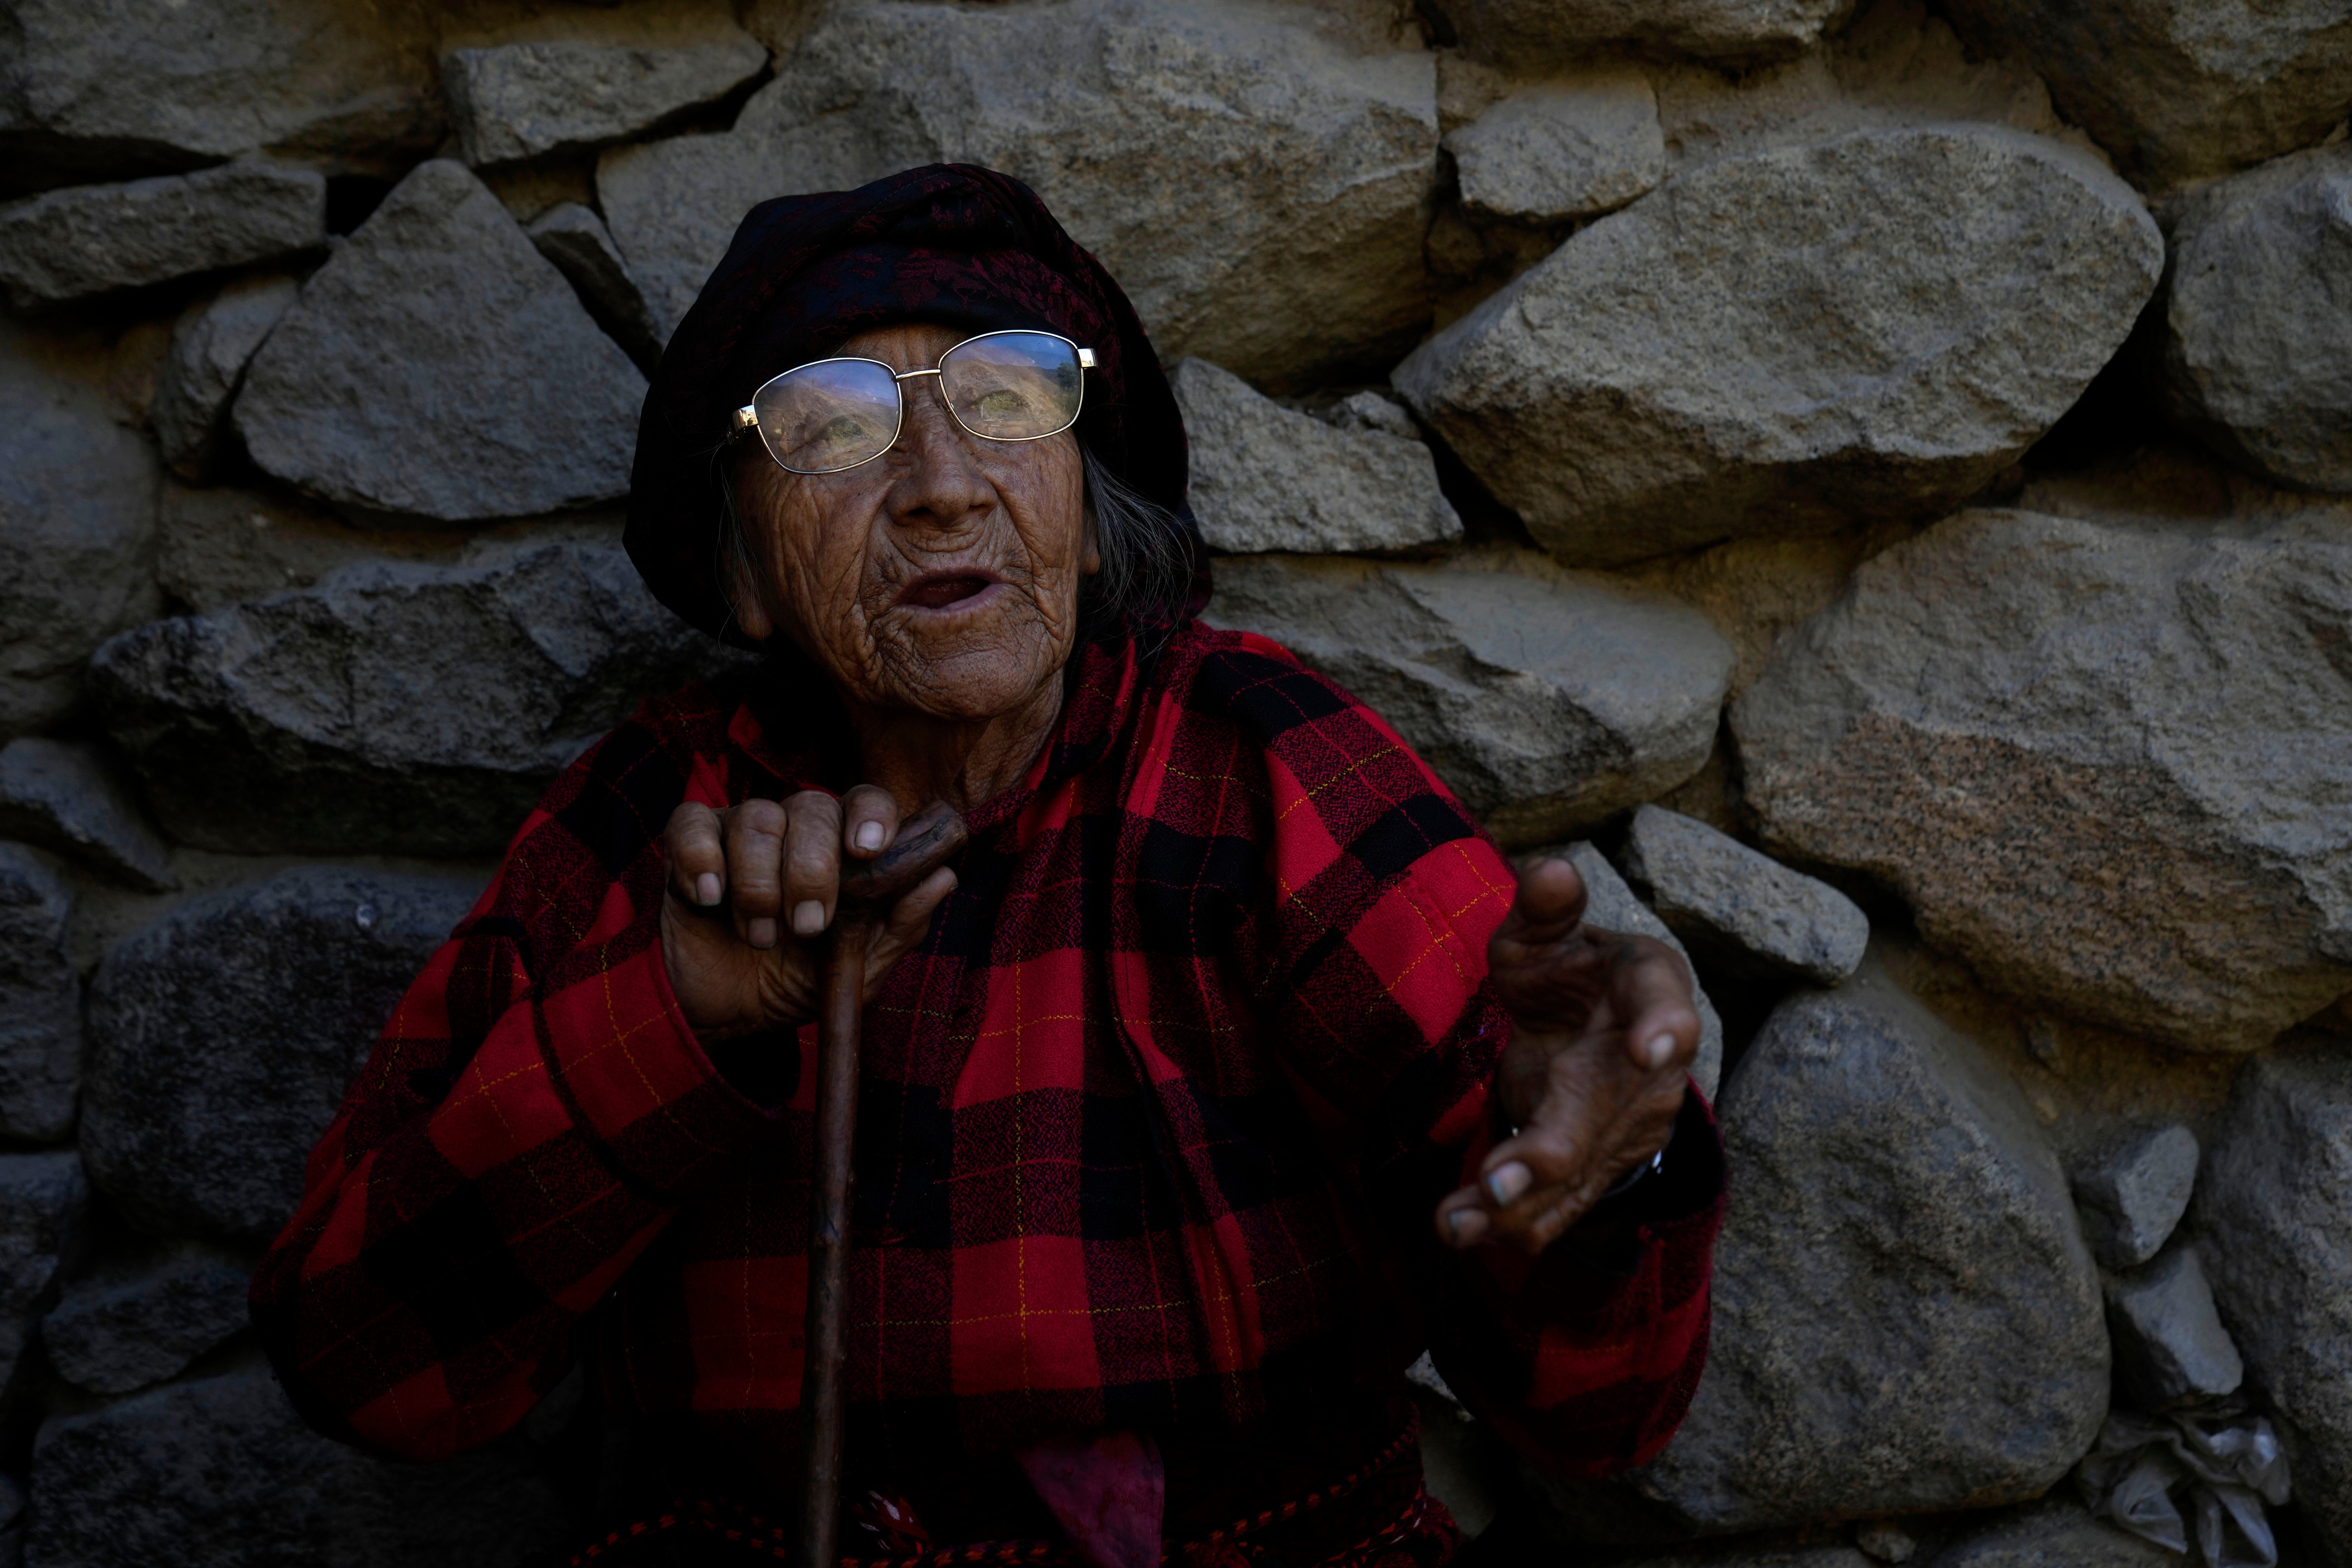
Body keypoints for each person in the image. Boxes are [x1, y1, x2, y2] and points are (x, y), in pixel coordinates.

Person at [251, 164, 1725, 1568]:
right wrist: (677, 1017)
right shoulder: (656, 815)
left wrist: (1617, 1163)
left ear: (1087, 521)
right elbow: (362, 1369)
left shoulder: (1257, 765)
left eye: (1009, 400)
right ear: (744, 573)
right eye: (833, 427)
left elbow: (1601, 1413)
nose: (943, 485)